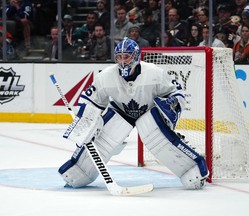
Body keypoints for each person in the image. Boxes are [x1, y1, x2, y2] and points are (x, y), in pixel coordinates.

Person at [58, 38, 209, 190]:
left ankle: (193, 168)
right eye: (119, 57)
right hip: (120, 111)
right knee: (105, 138)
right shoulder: (106, 76)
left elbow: (176, 92)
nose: (122, 61)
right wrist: (86, 123)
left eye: (127, 56)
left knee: (157, 136)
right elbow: (89, 99)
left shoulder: (154, 73)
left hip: (148, 112)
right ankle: (79, 172)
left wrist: (171, 104)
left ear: (136, 56)